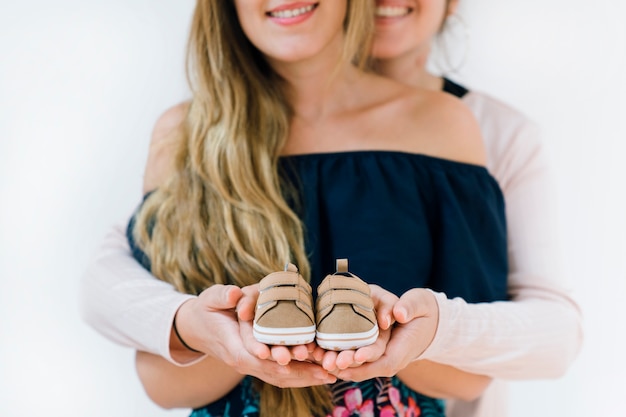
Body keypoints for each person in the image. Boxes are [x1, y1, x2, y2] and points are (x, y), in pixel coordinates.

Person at [79, 1, 582, 416]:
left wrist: (408, 338)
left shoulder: (447, 128)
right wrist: (228, 341)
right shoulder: (184, 136)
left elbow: (472, 373)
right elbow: (162, 380)